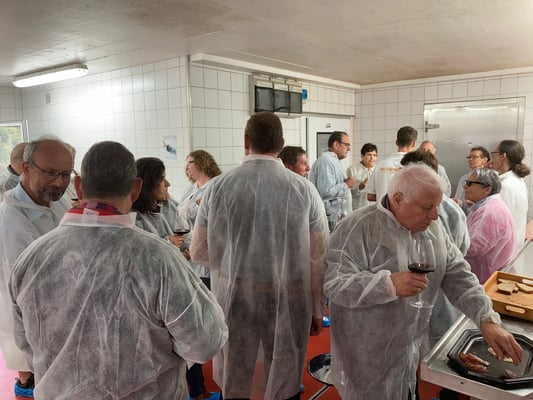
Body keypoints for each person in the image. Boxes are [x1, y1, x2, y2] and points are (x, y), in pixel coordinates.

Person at [9, 141, 228, 399]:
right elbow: (204, 343)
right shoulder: (158, 258)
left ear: (78, 187)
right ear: (135, 189)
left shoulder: (31, 258)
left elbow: (26, 344)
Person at [324, 164, 522, 400]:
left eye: (437, 206)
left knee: (408, 391)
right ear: (398, 199)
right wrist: (387, 284)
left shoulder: (432, 228)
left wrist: (486, 319)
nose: (435, 215)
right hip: (367, 353)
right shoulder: (357, 228)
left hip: (409, 347)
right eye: (428, 207)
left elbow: (458, 274)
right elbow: (335, 284)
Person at [190, 112, 329, 400]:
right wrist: (317, 309)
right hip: (289, 299)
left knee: (237, 375)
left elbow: (199, 251)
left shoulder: (218, 187)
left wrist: (238, 257)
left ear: (246, 140)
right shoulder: (303, 189)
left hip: (236, 297)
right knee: (283, 376)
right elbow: (318, 257)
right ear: (281, 144)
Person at [0, 137, 73, 398]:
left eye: (66, 174)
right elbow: (31, 290)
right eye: (50, 173)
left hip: (66, 309)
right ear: (26, 168)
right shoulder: (12, 219)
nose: (59, 183)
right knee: (38, 377)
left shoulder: (55, 199)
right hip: (36, 320)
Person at [179, 150, 222, 400]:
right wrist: (184, 247)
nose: (187, 168)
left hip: (208, 263)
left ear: (203, 163)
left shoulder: (215, 187)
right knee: (196, 321)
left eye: (190, 163)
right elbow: (183, 221)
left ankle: (223, 376)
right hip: (189, 261)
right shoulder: (190, 189)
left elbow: (216, 227)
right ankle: (198, 387)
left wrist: (193, 249)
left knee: (215, 318)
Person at [463, 168, 518, 283]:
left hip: (485, 278)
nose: (465, 187)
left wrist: (450, 244)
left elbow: (473, 249)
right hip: (487, 274)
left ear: (487, 189)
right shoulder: (489, 206)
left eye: (470, 184)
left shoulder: (489, 212)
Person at [309, 131, 355, 227]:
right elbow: (326, 192)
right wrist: (346, 185)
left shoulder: (334, 161)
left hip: (338, 218)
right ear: (336, 144)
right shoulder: (326, 161)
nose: (349, 149)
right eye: (346, 145)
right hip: (331, 220)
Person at [491, 140, 530, 246]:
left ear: (503, 156)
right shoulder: (516, 180)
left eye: (494, 153)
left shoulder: (507, 186)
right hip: (512, 244)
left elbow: (500, 222)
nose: (492, 158)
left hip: (505, 248)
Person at [366, 126, 417, 202]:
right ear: (413, 143)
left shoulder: (380, 165)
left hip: (382, 208)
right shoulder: (416, 167)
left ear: (396, 142)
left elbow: (370, 196)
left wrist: (384, 197)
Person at [453, 146, 490, 213]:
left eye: (474, 157)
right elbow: (458, 199)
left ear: (484, 160)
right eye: (469, 157)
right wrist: (458, 202)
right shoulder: (464, 178)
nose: (470, 159)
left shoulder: (491, 178)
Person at [346, 143, 377, 211]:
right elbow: (347, 193)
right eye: (369, 155)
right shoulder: (352, 170)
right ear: (362, 156)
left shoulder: (378, 170)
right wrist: (360, 187)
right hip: (357, 208)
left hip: (374, 209)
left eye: (374, 155)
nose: (372, 158)